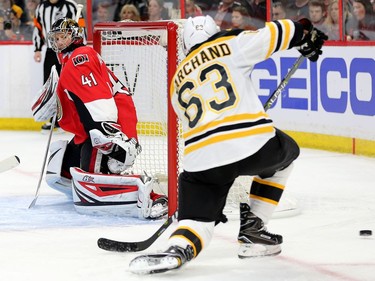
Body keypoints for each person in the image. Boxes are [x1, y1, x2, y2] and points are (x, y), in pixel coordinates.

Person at [129, 15, 327, 274]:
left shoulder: (177, 79)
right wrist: (303, 32)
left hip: (201, 159)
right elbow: (278, 32)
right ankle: (254, 229)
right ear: (214, 31)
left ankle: (178, 247)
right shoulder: (231, 44)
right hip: (251, 145)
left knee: (196, 221)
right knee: (288, 152)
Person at [31, 17, 168, 219]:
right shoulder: (71, 60)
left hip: (110, 127)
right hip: (91, 129)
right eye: (57, 38)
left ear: (75, 37)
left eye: (63, 37)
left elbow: (97, 100)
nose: (59, 42)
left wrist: (107, 136)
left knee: (92, 184)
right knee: (62, 171)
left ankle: (152, 196)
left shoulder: (80, 57)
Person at [33, 0, 84, 133]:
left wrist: (78, 47)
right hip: (51, 52)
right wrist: (37, 48)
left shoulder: (71, 6)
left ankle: (70, 119)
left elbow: (81, 26)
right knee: (51, 85)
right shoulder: (41, 7)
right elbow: (38, 28)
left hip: (68, 50)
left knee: (69, 85)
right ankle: (53, 120)